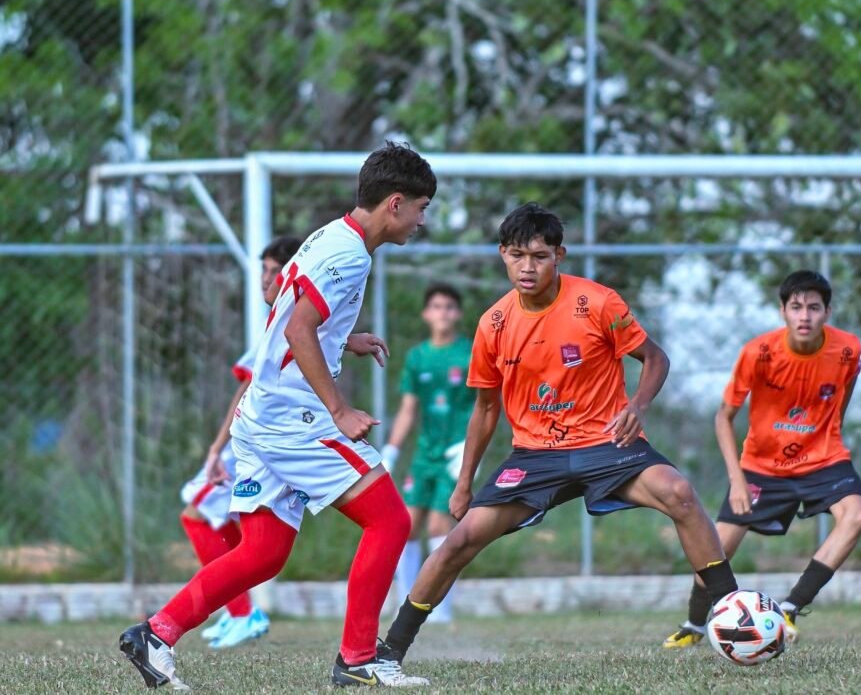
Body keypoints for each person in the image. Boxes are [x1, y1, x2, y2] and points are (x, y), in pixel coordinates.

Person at [119, 142, 437, 690]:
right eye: (421, 208)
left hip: (260, 414)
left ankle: (156, 633)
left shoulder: (329, 235)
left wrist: (343, 338)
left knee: (264, 552)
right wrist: (339, 409)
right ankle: (358, 658)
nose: (421, 220)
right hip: (295, 420)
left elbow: (289, 311)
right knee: (390, 520)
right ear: (395, 203)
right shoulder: (350, 255)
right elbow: (297, 328)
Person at [379, 202, 739, 673]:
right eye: (517, 256)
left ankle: (736, 614)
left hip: (606, 444)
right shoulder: (493, 324)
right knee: (459, 541)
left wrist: (638, 405)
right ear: (503, 255)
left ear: (559, 256)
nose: (527, 267)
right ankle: (390, 651)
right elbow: (485, 409)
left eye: (539, 256)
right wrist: (464, 483)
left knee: (680, 493)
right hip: (535, 456)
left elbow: (655, 358)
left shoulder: (598, 302)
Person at [663, 270, 861, 648]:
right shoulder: (759, 353)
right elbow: (723, 417)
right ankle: (694, 625)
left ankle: (790, 606)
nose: (805, 316)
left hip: (823, 458)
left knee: (857, 514)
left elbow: (847, 382)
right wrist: (738, 480)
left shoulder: (848, 349)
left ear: (827, 312)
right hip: (762, 467)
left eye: (814, 308)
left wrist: (832, 428)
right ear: (782, 311)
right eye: (796, 307)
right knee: (714, 547)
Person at [178, 235, 300, 649]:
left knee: (197, 515)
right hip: (259, 443)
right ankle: (239, 611)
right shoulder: (286, 323)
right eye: (263, 270)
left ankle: (242, 612)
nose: (266, 278)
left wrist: (217, 449)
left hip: (253, 444)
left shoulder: (288, 324)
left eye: (274, 271)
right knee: (224, 525)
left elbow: (244, 394)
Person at [381, 284, 475, 624]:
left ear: (458, 314)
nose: (443, 313)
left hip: (456, 455)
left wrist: (471, 450)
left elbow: (486, 404)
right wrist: (390, 451)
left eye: (449, 307)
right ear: (426, 314)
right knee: (406, 525)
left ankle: (438, 610)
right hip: (424, 455)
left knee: (439, 525)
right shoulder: (417, 357)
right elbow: (408, 410)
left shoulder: (469, 353)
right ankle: (408, 602)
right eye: (436, 306)